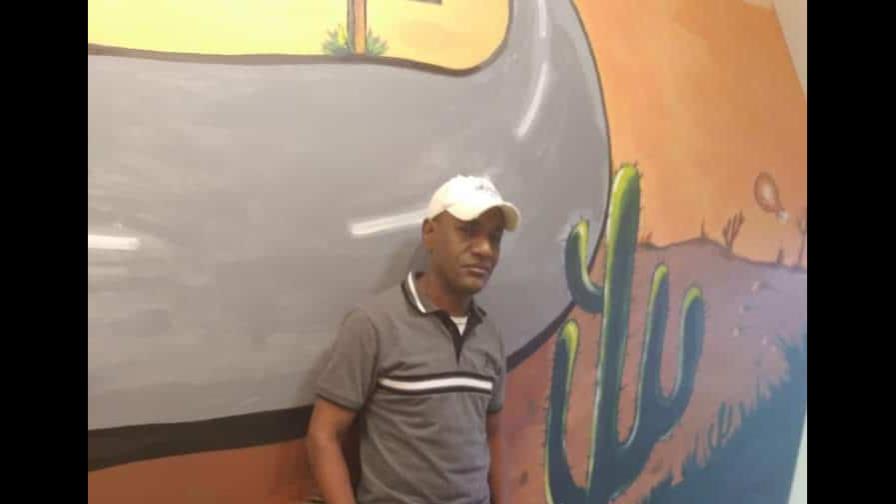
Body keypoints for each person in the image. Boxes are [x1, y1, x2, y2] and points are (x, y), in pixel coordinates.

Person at [307, 175, 521, 504]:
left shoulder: (489, 335)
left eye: (495, 238)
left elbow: (492, 435)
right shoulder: (374, 325)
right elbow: (324, 435)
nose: (484, 250)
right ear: (430, 233)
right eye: (468, 231)